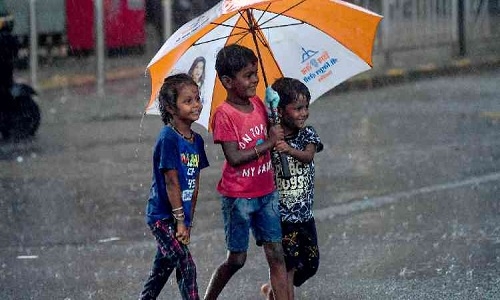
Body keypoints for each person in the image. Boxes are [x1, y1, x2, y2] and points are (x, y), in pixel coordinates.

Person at [204, 44, 289, 300]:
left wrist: (274, 111)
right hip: (238, 198)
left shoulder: (259, 104)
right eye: (247, 75)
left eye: (255, 73)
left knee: (276, 253)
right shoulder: (224, 115)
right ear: (228, 81)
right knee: (237, 259)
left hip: (267, 193)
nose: (255, 80)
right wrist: (269, 144)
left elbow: (273, 135)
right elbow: (235, 157)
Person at [140, 73, 209, 300]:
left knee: (162, 268)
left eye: (197, 99)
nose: (196, 105)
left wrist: (188, 221)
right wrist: (179, 220)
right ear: (171, 107)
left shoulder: (196, 140)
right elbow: (171, 182)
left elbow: (195, 182)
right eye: (188, 101)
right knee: (186, 264)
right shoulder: (168, 138)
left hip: (180, 217)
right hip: (162, 217)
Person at [260, 77, 323, 300]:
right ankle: (282, 292)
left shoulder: (308, 134)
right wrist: (271, 142)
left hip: (304, 215)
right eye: (297, 108)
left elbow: (307, 156)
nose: (303, 113)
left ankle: (273, 290)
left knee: (310, 264)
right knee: (287, 265)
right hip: (281, 217)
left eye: (306, 107)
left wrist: (287, 150)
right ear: (281, 110)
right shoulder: (272, 137)